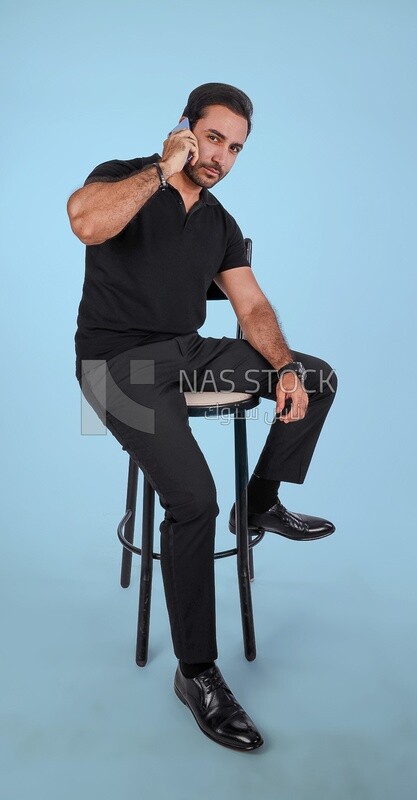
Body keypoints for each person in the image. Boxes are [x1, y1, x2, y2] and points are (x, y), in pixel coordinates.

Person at [67, 82, 337, 752]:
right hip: (115, 365)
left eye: (235, 147)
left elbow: (250, 307)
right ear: (186, 127)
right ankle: (196, 671)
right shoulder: (122, 177)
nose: (220, 156)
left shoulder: (217, 222)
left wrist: (280, 368)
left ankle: (260, 503)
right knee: (191, 502)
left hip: (186, 353)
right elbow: (85, 224)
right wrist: (161, 166)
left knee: (315, 376)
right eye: (213, 138)